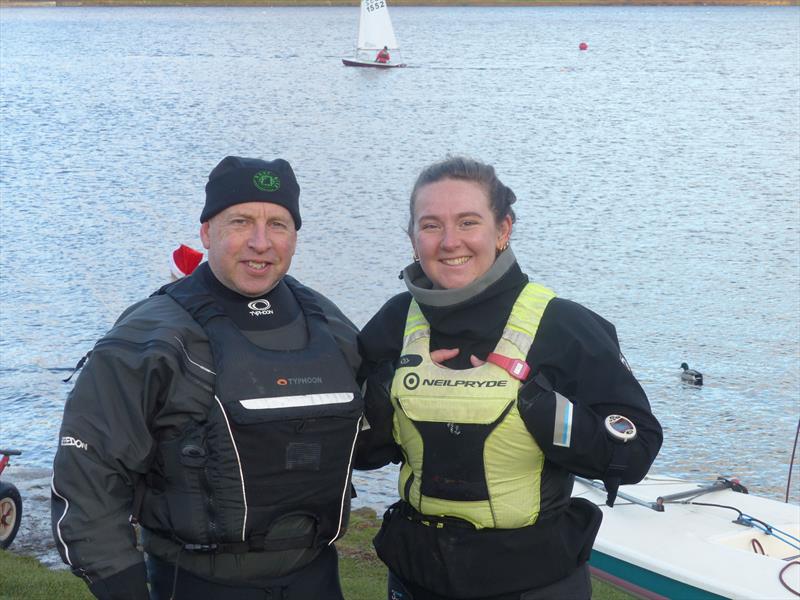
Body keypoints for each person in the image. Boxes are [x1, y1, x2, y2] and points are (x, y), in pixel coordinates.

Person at [51, 156, 363, 600]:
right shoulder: (149, 338)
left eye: (277, 224)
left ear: (295, 236)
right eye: (240, 221)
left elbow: (375, 439)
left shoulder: (330, 327)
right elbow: (88, 475)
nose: (260, 242)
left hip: (316, 577)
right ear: (206, 232)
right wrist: (121, 584)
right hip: (195, 582)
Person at [355, 156, 663, 600]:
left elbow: (636, 453)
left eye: (468, 222)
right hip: (417, 575)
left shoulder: (564, 326)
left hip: (533, 580)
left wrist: (542, 409)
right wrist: (381, 397)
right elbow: (356, 451)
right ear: (412, 237)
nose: (449, 242)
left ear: (503, 230)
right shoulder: (394, 322)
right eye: (430, 225)